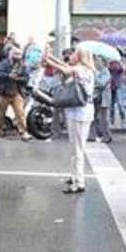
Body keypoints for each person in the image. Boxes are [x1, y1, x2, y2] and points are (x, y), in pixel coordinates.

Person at [44, 48, 96, 193]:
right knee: (74, 147)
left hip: (81, 112)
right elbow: (65, 66)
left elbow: (65, 70)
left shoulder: (84, 70)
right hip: (74, 111)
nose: (70, 56)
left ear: (80, 57)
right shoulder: (79, 69)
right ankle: (74, 176)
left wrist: (49, 61)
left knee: (78, 149)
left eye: (74, 54)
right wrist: (51, 58)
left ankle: (79, 182)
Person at [0, 45, 33, 140]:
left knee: (20, 114)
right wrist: (8, 76)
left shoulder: (22, 65)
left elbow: (27, 78)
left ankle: (24, 133)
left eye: (19, 54)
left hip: (16, 93)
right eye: (16, 54)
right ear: (11, 54)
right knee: (1, 114)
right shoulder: (4, 63)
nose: (18, 56)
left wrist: (19, 79)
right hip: (4, 93)